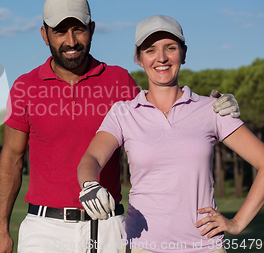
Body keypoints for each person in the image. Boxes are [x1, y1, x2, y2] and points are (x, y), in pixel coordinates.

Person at [0, 0, 240, 253]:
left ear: (92, 29)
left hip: (108, 228)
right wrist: (0, 230)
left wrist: (214, 107)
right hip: (44, 228)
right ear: (45, 35)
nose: (71, 40)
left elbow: (165, 112)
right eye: (60, 31)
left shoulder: (119, 81)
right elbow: (11, 158)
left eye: (79, 29)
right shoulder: (25, 87)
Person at [77, 15, 264, 253]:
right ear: (139, 58)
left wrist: (237, 223)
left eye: (171, 48)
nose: (161, 57)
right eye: (150, 50)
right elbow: (91, 158)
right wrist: (89, 184)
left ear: (183, 53)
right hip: (143, 246)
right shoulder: (123, 113)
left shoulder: (212, 109)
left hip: (205, 247)